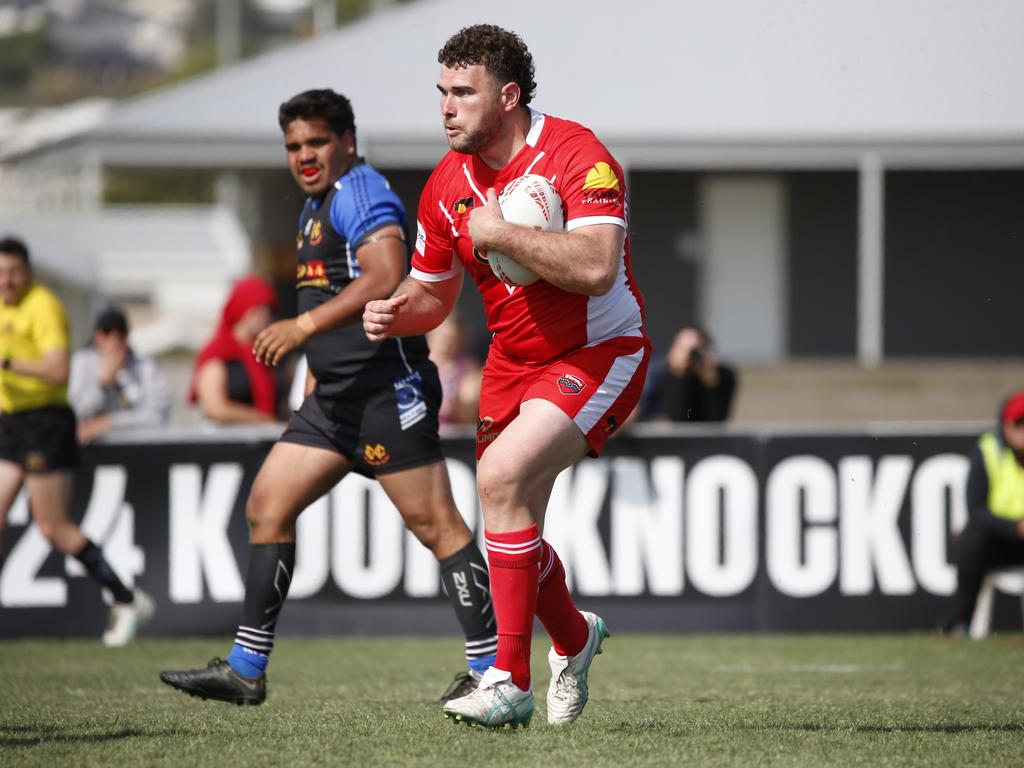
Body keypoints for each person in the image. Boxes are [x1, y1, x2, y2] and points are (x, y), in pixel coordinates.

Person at [160, 89, 497, 707]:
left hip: (384, 392)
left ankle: (493, 671)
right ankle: (245, 668)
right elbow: (328, 297)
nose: (304, 155)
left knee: (438, 527)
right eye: (294, 145)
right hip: (331, 402)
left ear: (347, 142)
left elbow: (386, 273)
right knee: (267, 505)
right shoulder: (316, 203)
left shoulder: (359, 190)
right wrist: (309, 386)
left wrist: (302, 330)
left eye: (316, 142)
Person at [363, 25, 651, 728]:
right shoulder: (444, 184)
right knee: (511, 520)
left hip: (601, 352)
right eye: (442, 93)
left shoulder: (579, 154)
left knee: (498, 483)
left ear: (509, 96)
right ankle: (576, 640)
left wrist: (500, 234)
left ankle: (507, 681)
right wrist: (393, 313)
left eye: (464, 92)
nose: (447, 107)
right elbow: (433, 294)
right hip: (511, 367)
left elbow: (594, 268)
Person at [0, 236, 153, 646]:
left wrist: (8, 363)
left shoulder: (43, 306)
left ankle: (125, 596)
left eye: (13, 272)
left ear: (27, 272)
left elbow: (57, 369)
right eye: (1, 272)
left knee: (53, 527)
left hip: (45, 423)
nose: (6, 280)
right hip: (11, 421)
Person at [951, 391, 1024, 631]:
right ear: (1005, 426)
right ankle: (962, 623)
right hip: (1002, 539)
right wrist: (1015, 527)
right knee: (972, 539)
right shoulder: (988, 452)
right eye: (1019, 423)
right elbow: (976, 510)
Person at [69, 306, 173, 443]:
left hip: (137, 448)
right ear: (97, 337)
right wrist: (103, 383)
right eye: (107, 334)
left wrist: (110, 423)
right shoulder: (83, 361)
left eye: (120, 335)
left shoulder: (145, 366)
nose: (114, 342)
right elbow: (78, 412)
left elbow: (157, 415)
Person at [189, 276, 281, 424]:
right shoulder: (219, 352)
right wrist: (264, 421)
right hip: (227, 440)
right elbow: (216, 408)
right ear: (241, 307)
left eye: (268, 310)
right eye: (257, 310)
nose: (264, 316)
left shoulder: (265, 353)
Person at [640, 325, 737, 422]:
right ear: (672, 351)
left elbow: (717, 418)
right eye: (684, 349)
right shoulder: (658, 373)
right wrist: (679, 374)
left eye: (697, 349)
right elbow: (676, 418)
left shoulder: (723, 375)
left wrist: (709, 376)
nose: (691, 356)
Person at [427, 313, 483, 426]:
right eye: (442, 337)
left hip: (453, 438)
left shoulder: (468, 369)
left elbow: (466, 417)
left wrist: (452, 387)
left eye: (452, 339)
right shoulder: (412, 365)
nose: (446, 345)